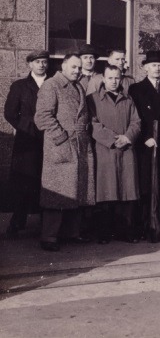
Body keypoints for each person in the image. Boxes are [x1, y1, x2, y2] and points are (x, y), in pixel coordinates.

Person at [34, 54, 95, 251]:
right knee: (58, 193)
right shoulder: (52, 85)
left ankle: (72, 233)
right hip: (60, 147)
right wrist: (61, 138)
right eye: (73, 67)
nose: (77, 71)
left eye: (79, 68)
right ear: (63, 65)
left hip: (79, 146)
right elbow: (42, 116)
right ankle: (49, 237)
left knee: (76, 191)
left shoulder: (78, 86)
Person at [129, 50, 160, 242]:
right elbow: (134, 118)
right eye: (154, 66)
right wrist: (144, 137)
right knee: (146, 187)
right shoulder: (136, 89)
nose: (157, 69)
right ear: (145, 68)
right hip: (146, 145)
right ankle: (145, 226)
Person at [87, 65, 141, 244]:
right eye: (110, 78)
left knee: (127, 192)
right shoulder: (93, 99)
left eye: (117, 78)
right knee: (106, 192)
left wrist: (127, 137)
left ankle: (126, 232)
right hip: (105, 151)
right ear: (103, 78)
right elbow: (93, 124)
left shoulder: (128, 99)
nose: (113, 81)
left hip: (126, 150)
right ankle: (104, 232)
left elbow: (136, 121)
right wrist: (112, 139)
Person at [4, 50, 49, 238]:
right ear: (30, 64)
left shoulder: (54, 84)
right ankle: (18, 221)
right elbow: (10, 113)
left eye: (44, 62)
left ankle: (46, 225)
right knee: (25, 181)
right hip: (27, 141)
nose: (41, 65)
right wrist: (30, 125)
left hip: (50, 140)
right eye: (37, 62)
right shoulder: (20, 86)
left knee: (48, 181)